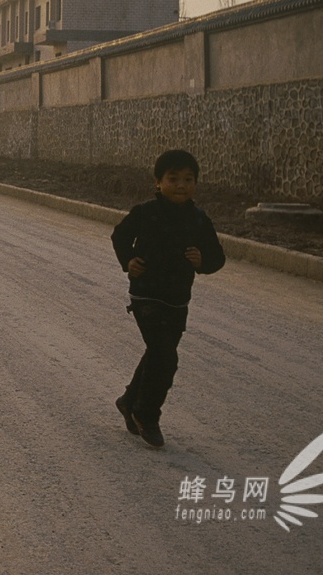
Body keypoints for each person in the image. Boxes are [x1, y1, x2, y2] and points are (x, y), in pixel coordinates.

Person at [111, 149, 225, 449]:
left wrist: (203, 261)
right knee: (165, 355)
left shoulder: (199, 220)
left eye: (188, 179)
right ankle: (146, 414)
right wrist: (129, 260)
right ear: (157, 182)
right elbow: (120, 237)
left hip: (177, 300)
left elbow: (217, 257)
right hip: (146, 295)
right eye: (173, 179)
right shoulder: (145, 212)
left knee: (158, 351)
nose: (180, 185)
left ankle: (128, 400)